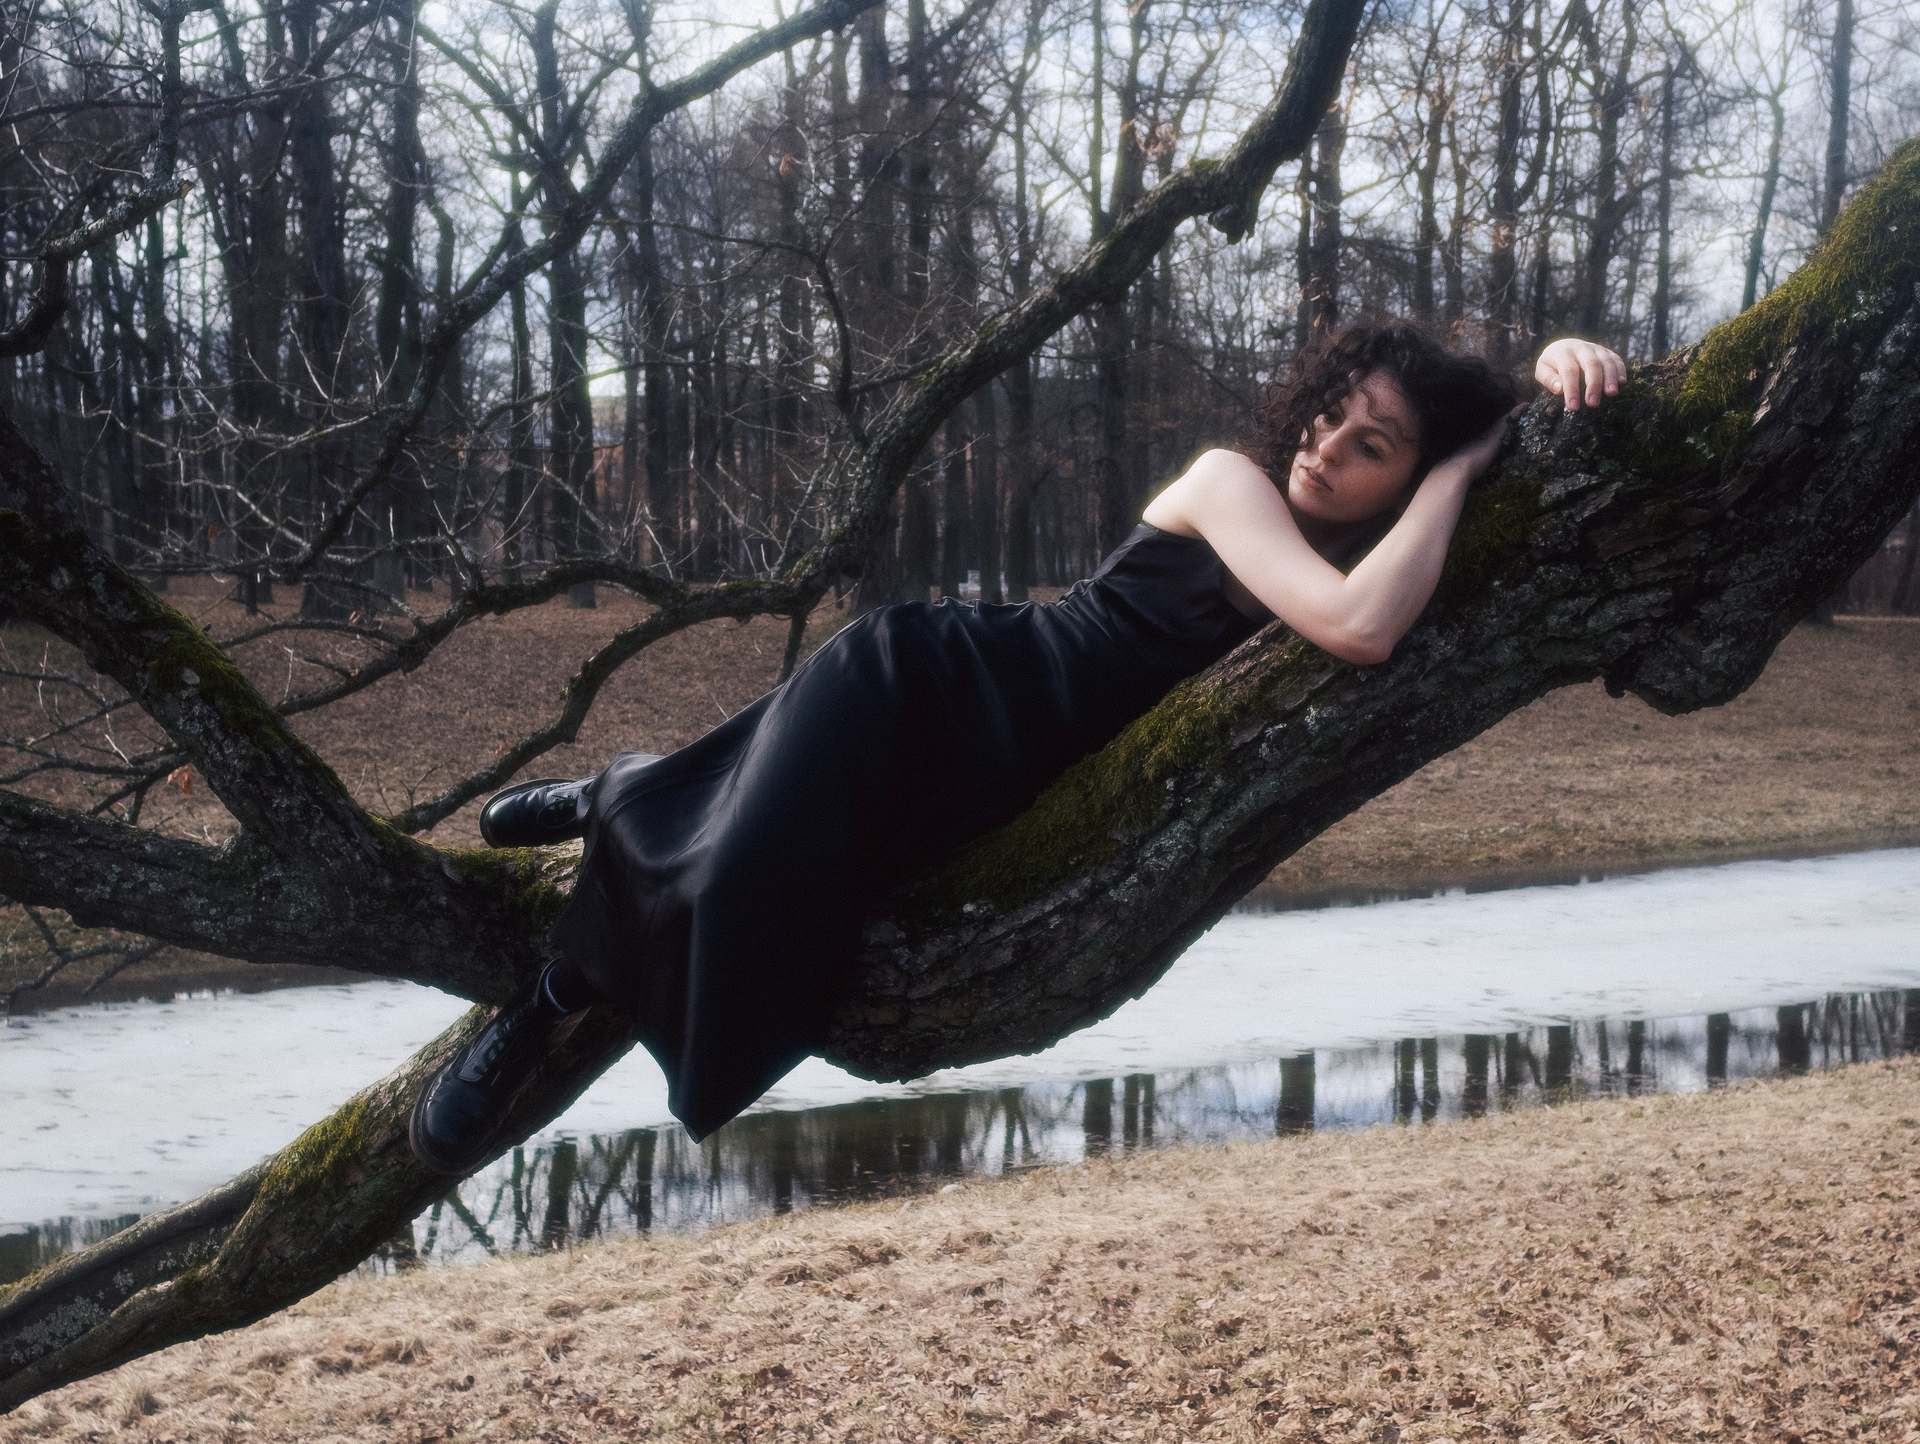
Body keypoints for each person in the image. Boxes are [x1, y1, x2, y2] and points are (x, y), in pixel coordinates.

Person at [409, 325, 1624, 1175]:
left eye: (1373, 444)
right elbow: (1361, 630)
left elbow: (1396, 582)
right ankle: (549, 999)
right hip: (939, 686)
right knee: (737, 874)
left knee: (804, 890)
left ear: (1403, 479)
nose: (1327, 443)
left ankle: (622, 790)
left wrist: (1522, 400)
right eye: (1331, 409)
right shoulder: (1231, 483)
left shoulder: (1368, 557)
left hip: (1005, 777)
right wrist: (1460, 461)